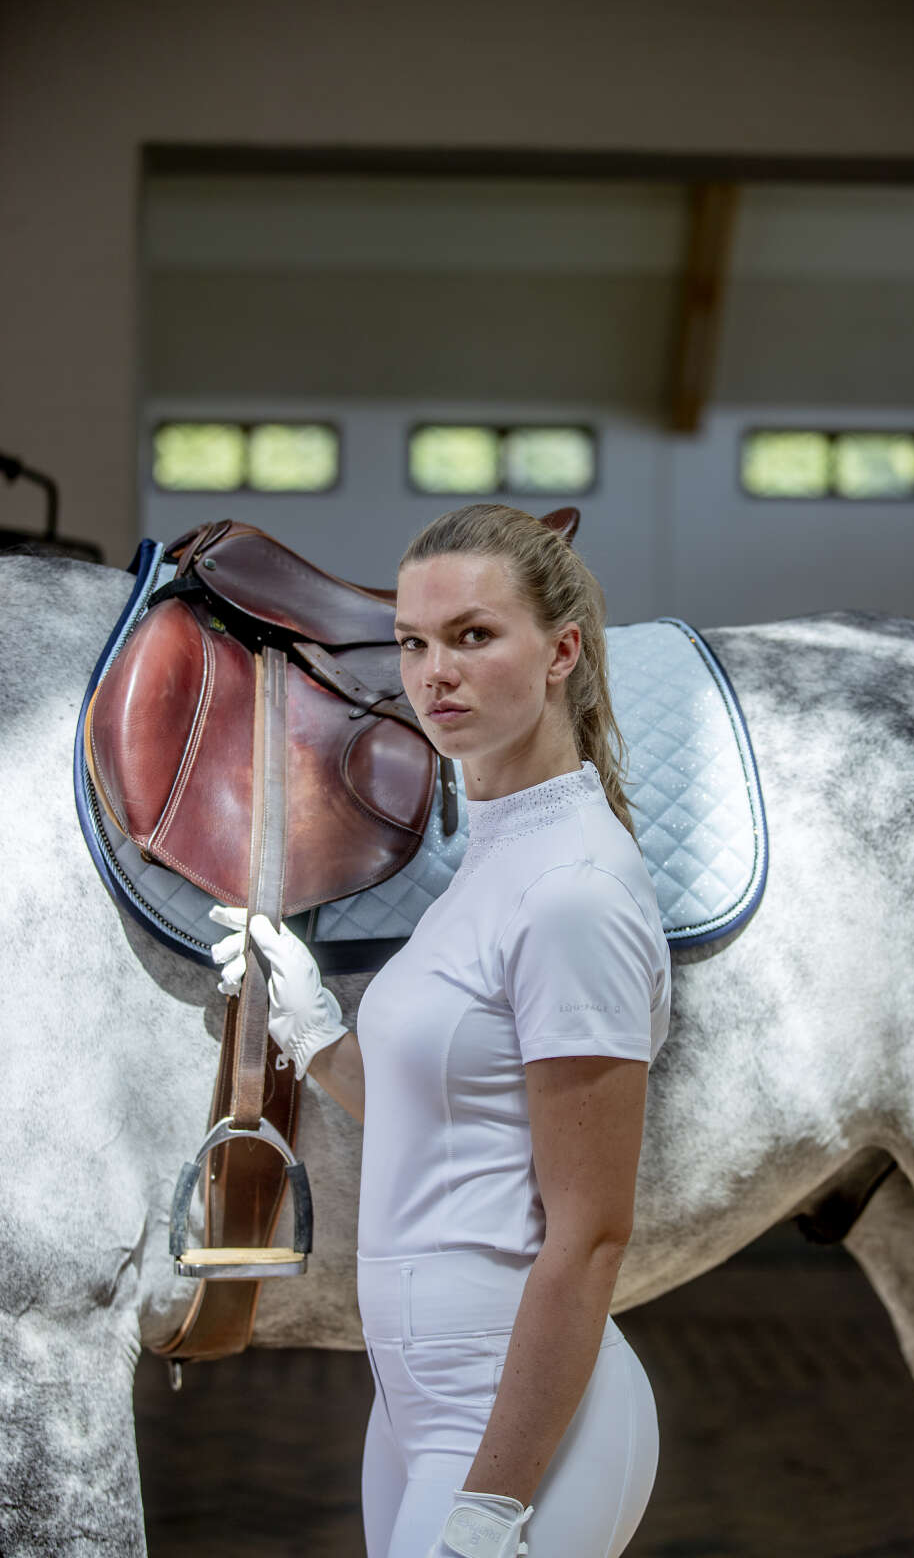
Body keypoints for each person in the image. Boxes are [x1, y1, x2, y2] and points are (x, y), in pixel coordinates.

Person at [209, 503, 671, 1558]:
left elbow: (591, 1233)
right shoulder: (498, 857)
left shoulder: (570, 890)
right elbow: (450, 1130)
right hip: (415, 1399)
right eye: (413, 643)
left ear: (561, 652)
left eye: (473, 636)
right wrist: (315, 1034)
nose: (434, 674)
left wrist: (493, 1501)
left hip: (509, 1420)